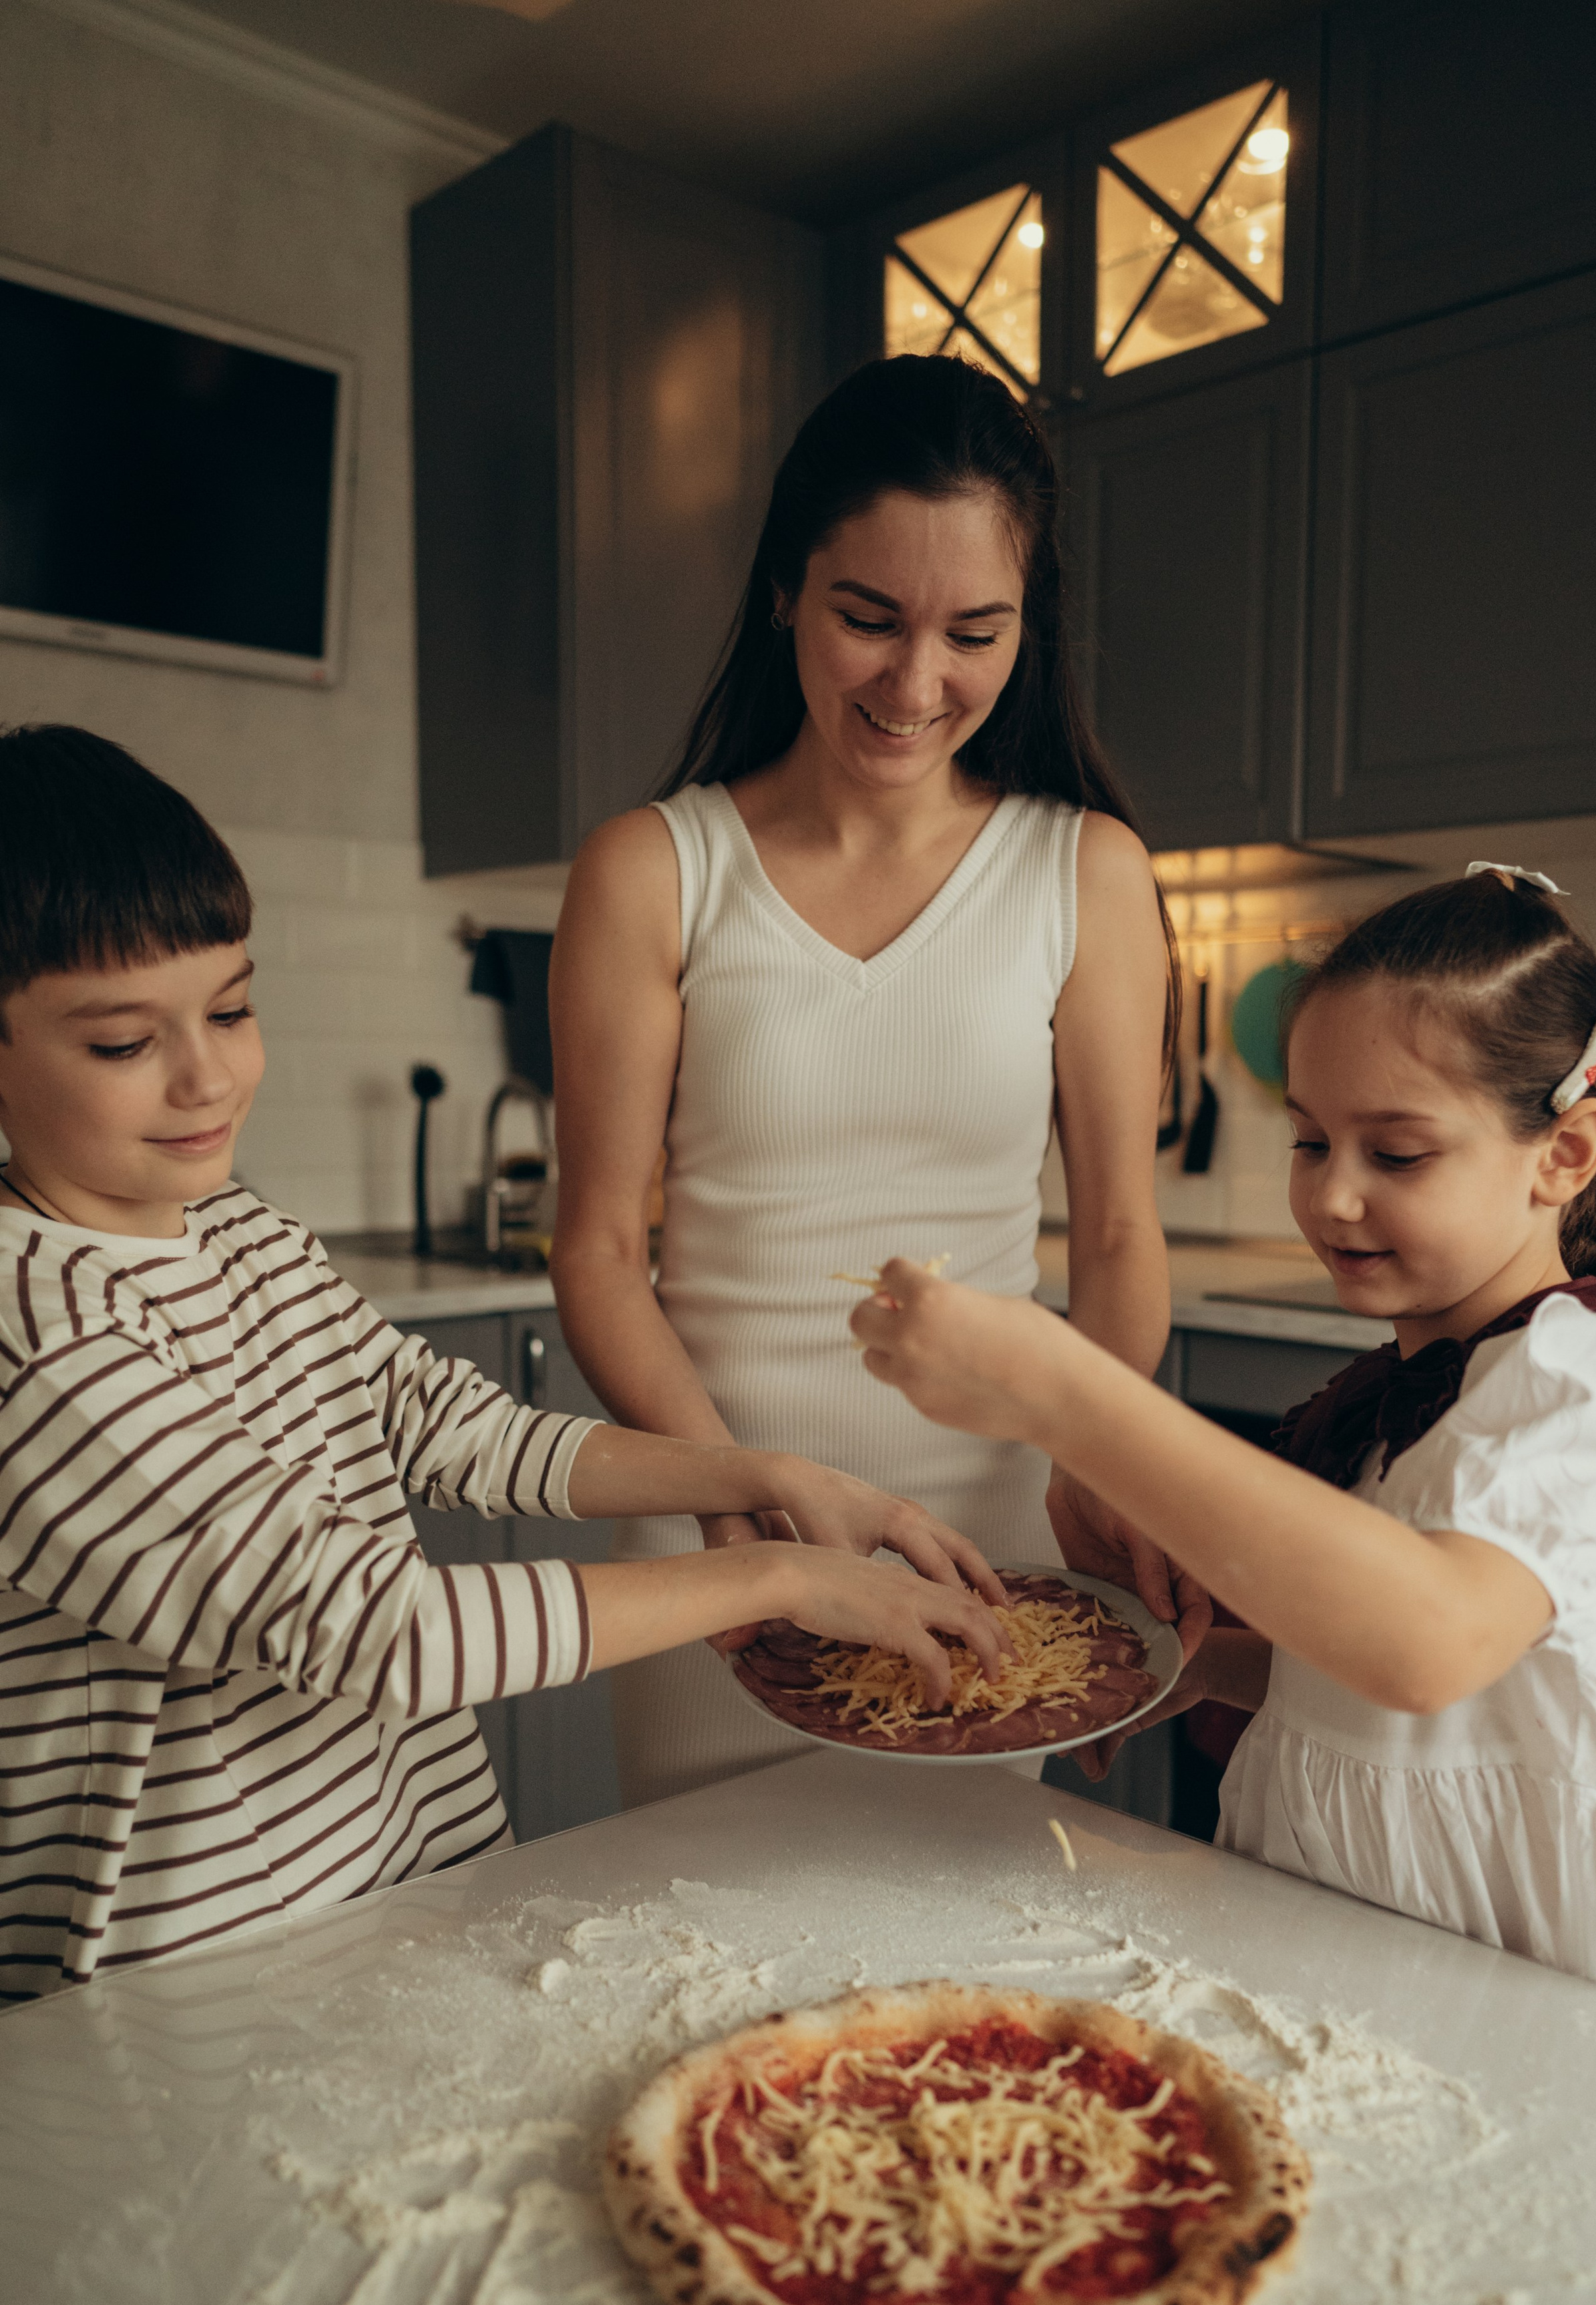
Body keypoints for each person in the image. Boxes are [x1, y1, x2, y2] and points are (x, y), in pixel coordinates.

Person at [0, 725, 1006, 2002]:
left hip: (400, 1895)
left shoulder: (239, 1232)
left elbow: (458, 1432)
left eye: (234, 1008)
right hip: (180, 1988)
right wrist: (777, 1575)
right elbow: (372, 1625)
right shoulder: (33, 1331)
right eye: (121, 1044)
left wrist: (754, 1468)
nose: (208, 1075)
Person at [849, 865, 1596, 2012]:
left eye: (1395, 1154)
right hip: (1348, 1959)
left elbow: (1426, 1646)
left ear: (1565, 1153)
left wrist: (1067, 1398)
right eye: (1311, 1142)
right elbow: (1380, 1694)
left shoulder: (1591, 1383)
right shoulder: (1394, 1399)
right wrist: (1165, 1669)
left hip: (1533, 2004)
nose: (1333, 1198)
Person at [550, 353, 1205, 1807]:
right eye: (867, 618)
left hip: (986, 1529)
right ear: (786, 586)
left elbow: (1112, 1235)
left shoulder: (1080, 871)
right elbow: (596, 1250)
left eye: (974, 631)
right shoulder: (653, 871)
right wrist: (749, 1507)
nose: (917, 684)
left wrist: (1104, 1458)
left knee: (950, 1987)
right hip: (716, 1526)